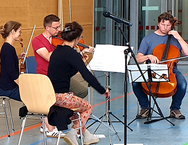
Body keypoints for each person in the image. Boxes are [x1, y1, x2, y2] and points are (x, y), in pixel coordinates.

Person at [47, 21, 110, 145]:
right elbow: (87, 76)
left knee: (77, 115)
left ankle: (86, 136)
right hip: (61, 97)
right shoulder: (71, 54)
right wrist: (103, 91)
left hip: (49, 95)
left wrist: (79, 61)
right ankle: (72, 134)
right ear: (76, 39)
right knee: (88, 107)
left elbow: (66, 73)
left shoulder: (57, 51)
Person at [32, 14, 94, 137]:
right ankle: (49, 121)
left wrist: (79, 54)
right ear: (47, 27)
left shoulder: (59, 40)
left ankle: (63, 116)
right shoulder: (37, 41)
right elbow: (51, 57)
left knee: (81, 91)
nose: (59, 30)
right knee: (56, 99)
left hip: (61, 76)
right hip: (45, 78)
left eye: (59, 26)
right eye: (55, 27)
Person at [132, 12, 188, 119]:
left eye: (168, 25)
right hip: (152, 69)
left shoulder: (175, 39)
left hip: (171, 69)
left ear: (172, 25)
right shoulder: (148, 39)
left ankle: (175, 109)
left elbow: (187, 52)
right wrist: (148, 56)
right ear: (158, 24)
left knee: (182, 84)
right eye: (163, 25)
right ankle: (145, 108)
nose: (165, 28)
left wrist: (179, 38)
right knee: (136, 84)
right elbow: (138, 59)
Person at [0, 21, 25, 102]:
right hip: (8, 88)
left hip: (8, 86)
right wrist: (22, 85)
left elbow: (7, 62)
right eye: (19, 31)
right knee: (31, 96)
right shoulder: (8, 49)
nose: (20, 34)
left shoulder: (8, 47)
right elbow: (11, 71)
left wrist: (17, 57)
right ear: (13, 31)